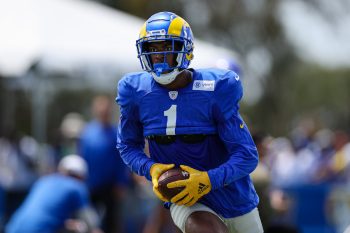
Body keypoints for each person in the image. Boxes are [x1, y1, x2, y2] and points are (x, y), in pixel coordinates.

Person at [116, 11, 263, 233]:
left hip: (235, 199)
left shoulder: (215, 90)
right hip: (185, 199)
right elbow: (127, 145)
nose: (158, 56)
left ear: (186, 50)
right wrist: (152, 169)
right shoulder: (135, 91)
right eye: (152, 49)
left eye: (166, 46)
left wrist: (207, 180)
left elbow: (247, 156)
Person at [5, 154, 102, 233]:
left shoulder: (44, 181)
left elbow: (44, 214)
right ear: (81, 176)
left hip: (12, 228)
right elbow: (91, 224)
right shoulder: (76, 187)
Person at [79, 95, 130, 233]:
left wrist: (121, 182)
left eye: (106, 110)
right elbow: (82, 158)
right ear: (95, 111)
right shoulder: (87, 133)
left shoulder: (116, 133)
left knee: (111, 222)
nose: (104, 112)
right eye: (101, 110)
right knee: (87, 221)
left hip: (110, 187)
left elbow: (121, 160)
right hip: (90, 185)